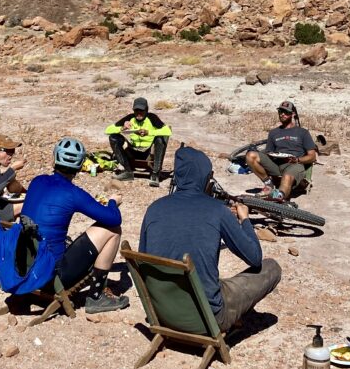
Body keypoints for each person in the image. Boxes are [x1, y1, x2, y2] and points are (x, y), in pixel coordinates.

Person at [140, 146, 281, 331]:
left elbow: (143, 263)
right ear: (206, 177)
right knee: (271, 267)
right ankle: (230, 317)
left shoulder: (153, 209)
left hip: (162, 314)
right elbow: (254, 258)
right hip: (206, 320)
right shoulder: (217, 210)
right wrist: (244, 219)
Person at [21, 137, 129, 314]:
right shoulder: (73, 193)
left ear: (54, 159)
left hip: (25, 267)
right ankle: (96, 296)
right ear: (80, 167)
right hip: (51, 276)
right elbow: (113, 219)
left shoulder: (37, 181)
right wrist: (112, 202)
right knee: (113, 231)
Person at [245, 100, 317, 200]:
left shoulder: (302, 132)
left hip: (294, 165)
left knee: (287, 176)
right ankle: (269, 185)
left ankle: (277, 197)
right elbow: (268, 152)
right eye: (280, 111)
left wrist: (297, 160)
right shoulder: (274, 133)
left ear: (293, 114)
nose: (282, 114)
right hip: (276, 165)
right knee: (250, 155)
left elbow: (312, 156)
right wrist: (271, 154)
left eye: (286, 112)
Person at [104, 97, 172, 186]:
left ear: (146, 110)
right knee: (113, 137)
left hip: (148, 152)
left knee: (160, 139)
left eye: (141, 110)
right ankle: (127, 172)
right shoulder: (130, 118)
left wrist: (149, 132)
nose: (139, 113)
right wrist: (122, 128)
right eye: (136, 110)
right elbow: (107, 130)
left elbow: (167, 131)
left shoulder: (152, 118)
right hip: (133, 151)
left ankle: (155, 174)